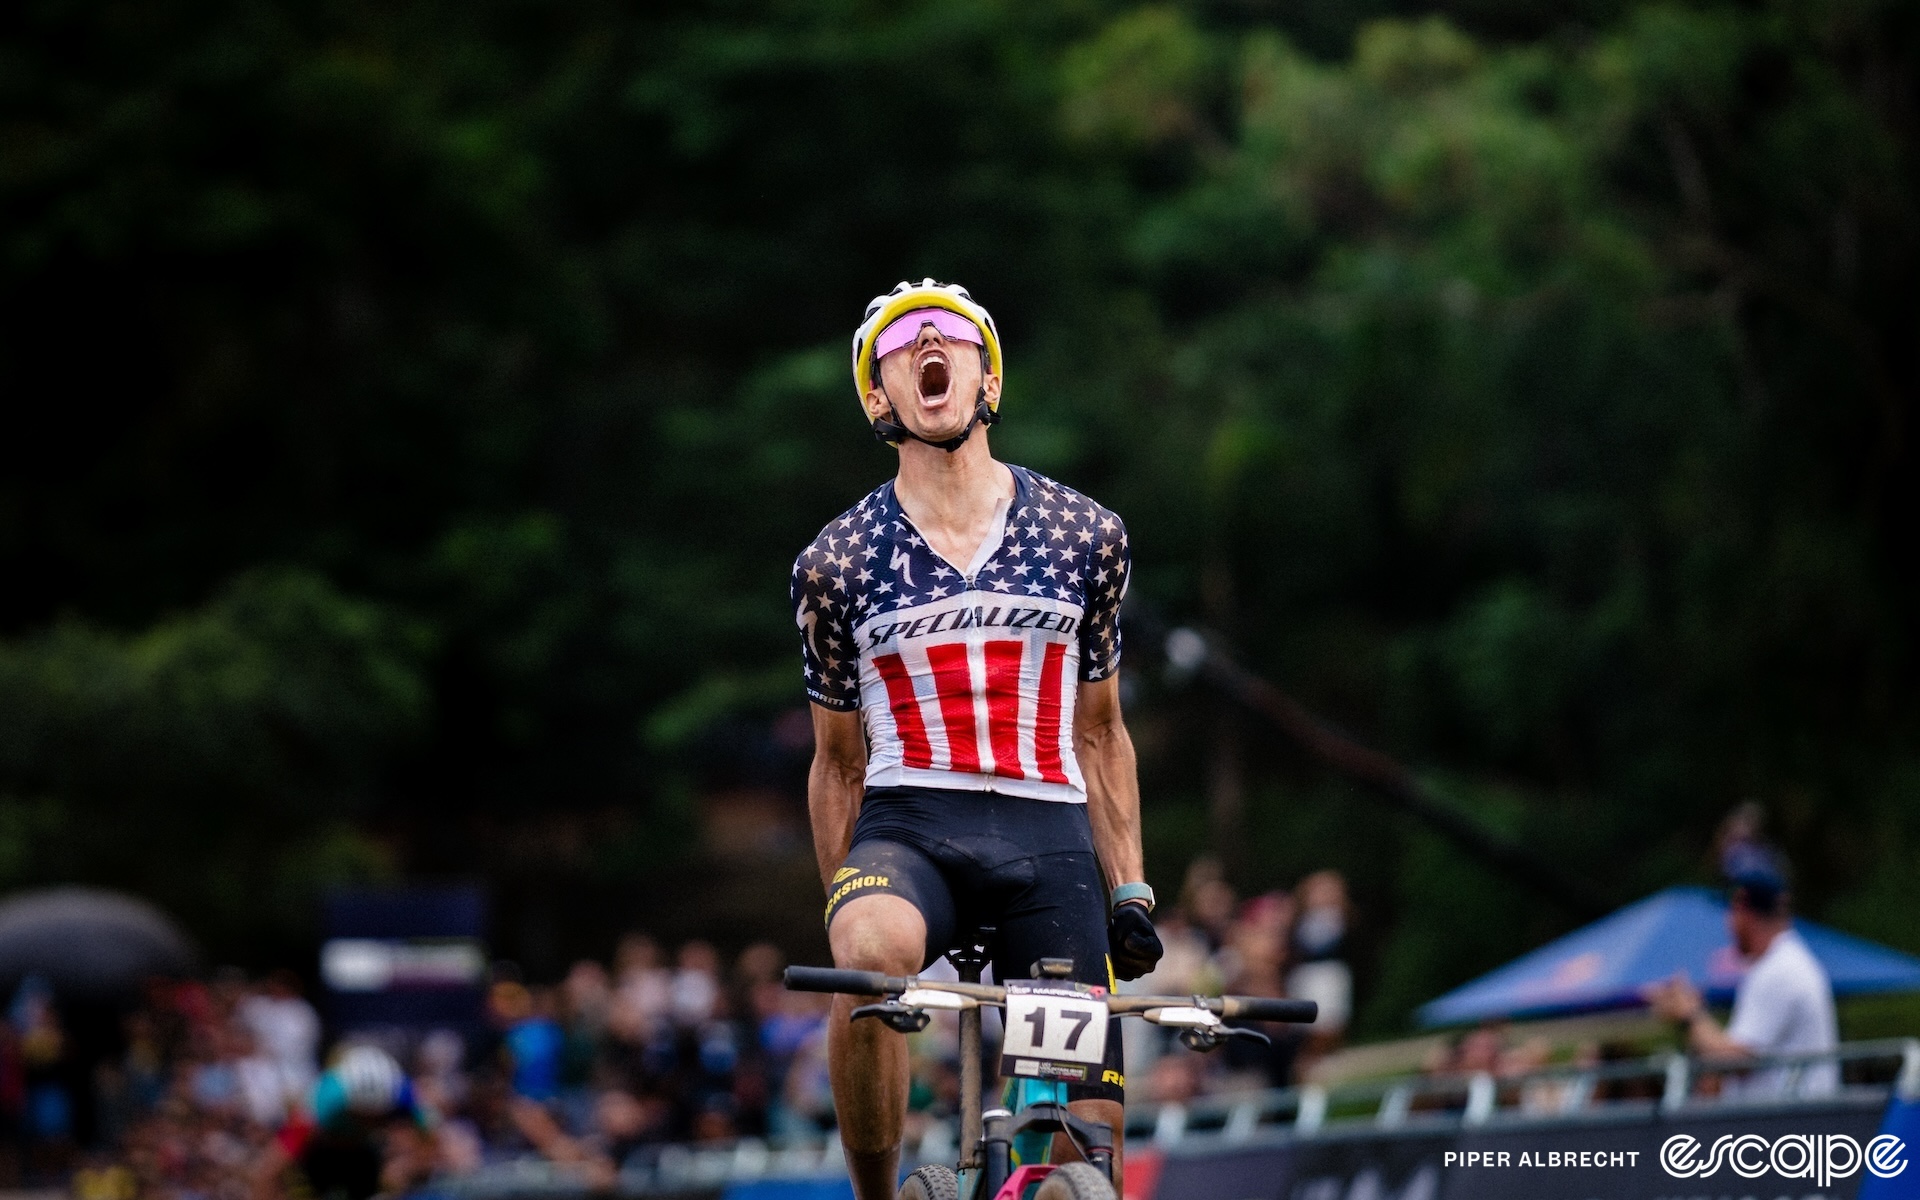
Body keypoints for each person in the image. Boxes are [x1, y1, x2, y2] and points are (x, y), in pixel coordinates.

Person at [793, 279, 1164, 1199]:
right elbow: (837, 763)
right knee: (872, 959)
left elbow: (1103, 730)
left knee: (1080, 1159)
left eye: (952, 335)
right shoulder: (834, 563)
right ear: (880, 396)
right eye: (903, 342)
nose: (930, 344)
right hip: (910, 825)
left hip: (1050, 839)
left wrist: (1132, 890)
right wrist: (844, 921)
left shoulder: (1087, 534)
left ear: (985, 379)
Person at [1642, 855, 1838, 1098]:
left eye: (1730, 910)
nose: (1727, 922)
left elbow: (1736, 1060)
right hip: (1790, 1123)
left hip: (1789, 1125)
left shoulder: (1780, 969)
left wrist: (1688, 1016)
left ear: (1742, 911)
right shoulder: (1782, 962)